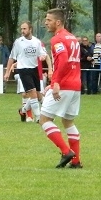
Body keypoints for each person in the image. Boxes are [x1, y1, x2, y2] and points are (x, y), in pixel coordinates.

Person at [38, 9, 82, 168]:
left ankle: (66, 151)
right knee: (68, 121)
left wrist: (55, 82)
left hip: (64, 85)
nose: (46, 22)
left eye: (49, 20)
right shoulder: (72, 38)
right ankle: (76, 161)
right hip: (75, 85)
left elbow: (63, 60)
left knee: (44, 119)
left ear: (58, 22)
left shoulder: (57, 39)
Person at [4, 21, 46, 120]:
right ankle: (38, 117)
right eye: (21, 29)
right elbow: (12, 57)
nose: (22, 31)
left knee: (38, 95)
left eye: (24, 29)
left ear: (30, 29)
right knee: (32, 93)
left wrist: (43, 56)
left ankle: (23, 111)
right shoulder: (18, 42)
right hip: (23, 69)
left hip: (34, 69)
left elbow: (42, 53)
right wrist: (7, 72)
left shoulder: (37, 41)